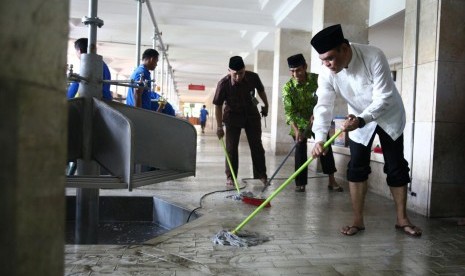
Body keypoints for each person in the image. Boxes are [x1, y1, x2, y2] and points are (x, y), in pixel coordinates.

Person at [310, 24, 422, 237]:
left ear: (344, 48)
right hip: (358, 119)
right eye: (322, 60)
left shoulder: (373, 56)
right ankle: (357, 221)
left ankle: (402, 219)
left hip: (388, 115)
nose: (327, 64)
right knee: (356, 168)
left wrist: (362, 120)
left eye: (330, 58)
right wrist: (319, 138)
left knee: (396, 166)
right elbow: (323, 105)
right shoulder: (326, 72)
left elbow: (384, 97)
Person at [283, 53, 343, 193]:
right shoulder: (288, 88)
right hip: (298, 123)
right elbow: (289, 112)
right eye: (292, 71)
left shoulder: (317, 79)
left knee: (325, 148)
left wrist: (317, 115)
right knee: (300, 149)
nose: (295, 74)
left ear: (305, 67)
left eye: (298, 70)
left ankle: (331, 180)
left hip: (317, 119)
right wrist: (297, 130)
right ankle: (300, 183)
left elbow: (326, 98)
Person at [213, 56, 269, 186]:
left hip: (251, 114)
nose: (238, 77)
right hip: (232, 116)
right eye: (235, 74)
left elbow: (261, 91)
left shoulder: (253, 77)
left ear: (245, 69)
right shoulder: (223, 84)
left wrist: (266, 105)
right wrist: (219, 126)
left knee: (257, 146)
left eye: (241, 73)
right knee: (231, 148)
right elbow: (218, 105)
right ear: (229, 71)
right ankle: (231, 177)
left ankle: (261, 174)